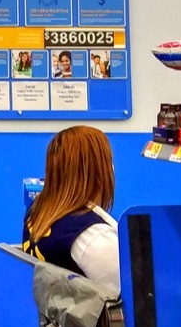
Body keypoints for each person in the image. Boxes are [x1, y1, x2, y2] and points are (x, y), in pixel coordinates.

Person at [22, 125, 120, 293]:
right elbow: (132, 291)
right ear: (97, 171)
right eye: (108, 161)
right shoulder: (92, 235)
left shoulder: (37, 209)